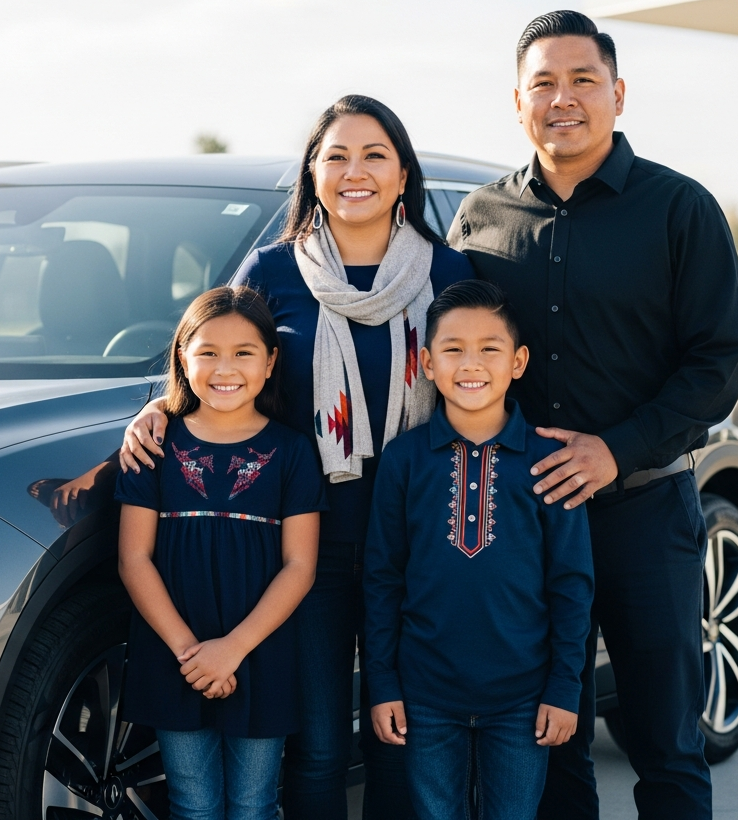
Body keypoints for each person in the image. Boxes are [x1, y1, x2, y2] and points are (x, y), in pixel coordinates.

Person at [121, 95, 475, 819]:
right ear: (312, 175)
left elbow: (483, 388)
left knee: (405, 738)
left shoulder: (448, 274)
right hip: (306, 541)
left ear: (404, 175)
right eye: (335, 155)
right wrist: (161, 407)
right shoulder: (273, 272)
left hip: (421, 542)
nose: (355, 171)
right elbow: (224, 363)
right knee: (316, 748)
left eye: (374, 155)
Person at [450, 10, 738, 820]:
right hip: (523, 525)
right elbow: (432, 350)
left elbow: (716, 365)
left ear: (618, 94)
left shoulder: (681, 210)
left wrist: (616, 450)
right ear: (517, 102)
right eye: (543, 83)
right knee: (548, 748)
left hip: (644, 517)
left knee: (666, 748)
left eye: (582, 79)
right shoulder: (480, 218)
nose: (563, 98)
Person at [364, 280, 594, 820]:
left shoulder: (548, 462)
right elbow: (381, 579)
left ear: (518, 362)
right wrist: (383, 684)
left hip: (522, 699)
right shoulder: (403, 461)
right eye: (453, 349)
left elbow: (571, 584)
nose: (472, 363)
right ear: (427, 363)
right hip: (425, 697)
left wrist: (565, 687)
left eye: (490, 348)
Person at [116, 285, 325, 820]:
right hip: (172, 655)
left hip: (260, 653)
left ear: (271, 361)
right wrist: (191, 653)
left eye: (243, 353)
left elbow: (300, 566)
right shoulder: (153, 448)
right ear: (182, 358)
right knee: (193, 805)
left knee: (255, 805)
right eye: (207, 351)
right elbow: (133, 558)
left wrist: (231, 649)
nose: (224, 367)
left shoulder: (292, 451)